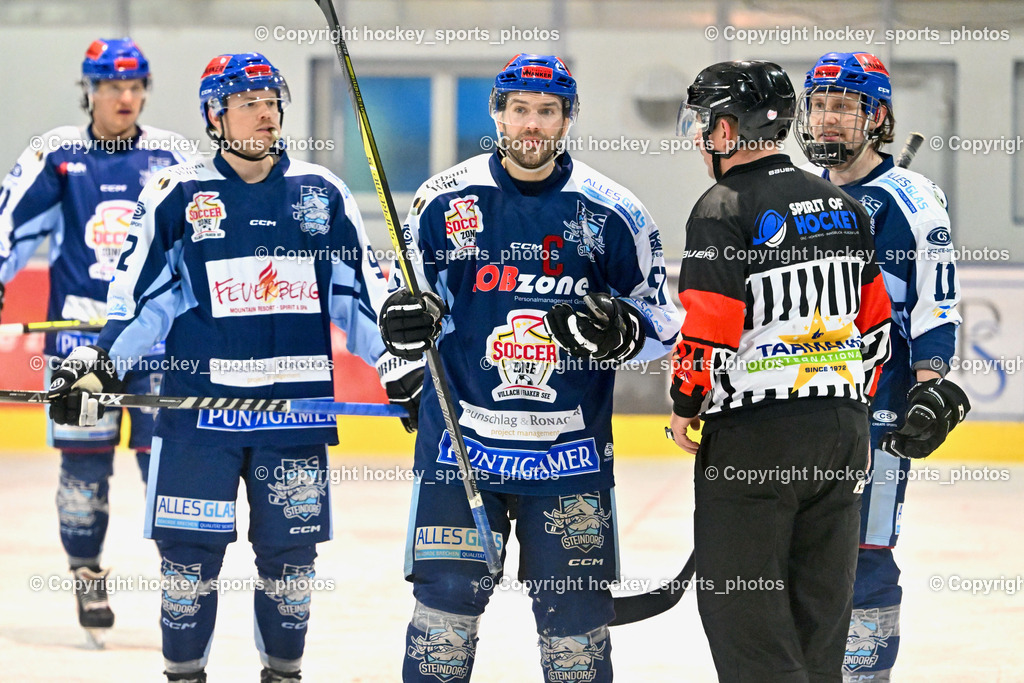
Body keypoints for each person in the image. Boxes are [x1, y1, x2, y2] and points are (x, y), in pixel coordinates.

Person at [45, 52, 422, 683]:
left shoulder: (320, 195)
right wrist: (98, 366)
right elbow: (141, 304)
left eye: (273, 102)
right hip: (200, 419)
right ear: (215, 116)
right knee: (187, 564)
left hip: (293, 418)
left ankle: (283, 674)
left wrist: (397, 362)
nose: (267, 114)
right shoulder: (177, 195)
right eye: (249, 103)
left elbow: (357, 298)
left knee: (290, 562)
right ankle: (184, 676)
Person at [376, 54, 680, 682]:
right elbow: (397, 300)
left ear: (567, 120)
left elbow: (663, 325)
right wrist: (400, 346)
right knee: (443, 618)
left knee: (575, 629)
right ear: (498, 115)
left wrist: (628, 332)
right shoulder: (442, 201)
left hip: (569, 457)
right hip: (461, 450)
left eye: (547, 112)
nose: (532, 125)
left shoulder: (611, 211)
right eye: (520, 111)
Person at [667, 60, 893, 681]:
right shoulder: (846, 205)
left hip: (758, 442)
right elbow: (877, 330)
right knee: (819, 623)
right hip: (845, 437)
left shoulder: (721, 207)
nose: (696, 136)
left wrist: (686, 408)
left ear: (727, 129)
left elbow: (706, 332)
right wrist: (842, 407)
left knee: (748, 623)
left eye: (703, 123)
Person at [0, 37, 191, 643]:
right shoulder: (57, 155)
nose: (126, 98)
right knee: (84, 470)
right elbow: (10, 226)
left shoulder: (173, 155)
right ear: (90, 90)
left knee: (164, 462)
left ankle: (180, 576)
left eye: (135, 87)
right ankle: (85, 570)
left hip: (157, 341)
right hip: (79, 347)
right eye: (112, 87)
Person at [795, 52, 970, 682]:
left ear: (879, 117)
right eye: (818, 104)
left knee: (864, 557)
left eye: (844, 106)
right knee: (801, 556)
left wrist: (930, 387)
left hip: (877, 412)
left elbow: (935, 300)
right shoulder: (798, 194)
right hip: (800, 410)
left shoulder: (912, 198)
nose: (828, 118)